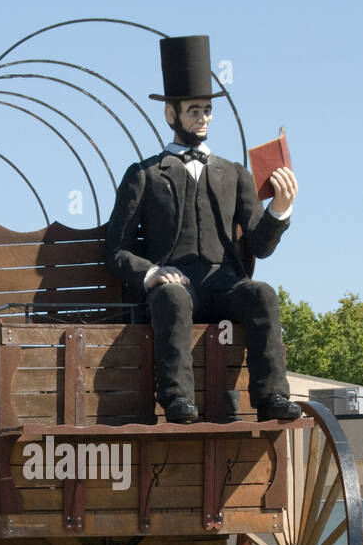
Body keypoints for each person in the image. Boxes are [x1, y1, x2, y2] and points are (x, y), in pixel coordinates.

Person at [105, 34, 302, 424]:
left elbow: (260, 246)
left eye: (208, 110)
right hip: (178, 285)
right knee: (172, 297)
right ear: (171, 115)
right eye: (195, 110)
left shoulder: (235, 174)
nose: (203, 118)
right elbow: (115, 248)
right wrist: (152, 274)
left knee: (262, 293)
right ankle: (178, 401)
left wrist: (280, 209)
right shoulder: (143, 175)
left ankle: (272, 397)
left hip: (225, 284)